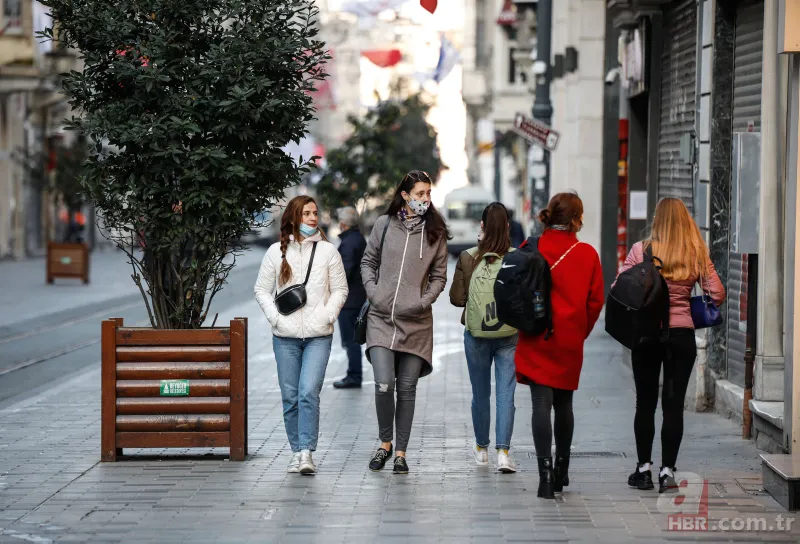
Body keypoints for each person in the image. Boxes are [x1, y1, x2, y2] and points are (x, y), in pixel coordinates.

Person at [618, 197, 725, 493]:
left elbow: (620, 288)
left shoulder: (642, 250)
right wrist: (687, 304)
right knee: (674, 406)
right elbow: (716, 292)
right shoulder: (695, 252)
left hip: (647, 335)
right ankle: (668, 473)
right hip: (682, 337)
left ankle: (643, 471)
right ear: (684, 220)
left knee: (645, 402)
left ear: (657, 219)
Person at [514, 192, 604, 499]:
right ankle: (563, 469)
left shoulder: (531, 248)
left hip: (535, 335)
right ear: (577, 219)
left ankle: (545, 475)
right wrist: (581, 330)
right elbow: (595, 302)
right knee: (565, 404)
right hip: (568, 338)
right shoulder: (588, 254)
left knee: (541, 404)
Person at [361, 170, 450, 474]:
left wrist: (422, 301)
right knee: (384, 383)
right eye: (420, 193)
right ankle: (384, 444)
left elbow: (440, 276)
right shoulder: (384, 225)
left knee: (407, 388)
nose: (426, 199)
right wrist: (374, 294)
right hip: (381, 318)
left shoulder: (435, 231)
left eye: (428, 193)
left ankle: (400, 453)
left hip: (416, 323)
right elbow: (368, 261)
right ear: (405, 196)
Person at [254, 195, 348, 475]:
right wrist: (276, 319)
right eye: (306, 213)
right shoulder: (275, 252)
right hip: (285, 337)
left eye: (315, 213)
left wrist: (326, 316)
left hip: (318, 335)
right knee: (290, 396)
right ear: (294, 218)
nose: (312, 218)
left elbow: (341, 290)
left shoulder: (328, 251)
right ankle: (296, 451)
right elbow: (261, 290)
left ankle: (306, 451)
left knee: (308, 392)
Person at [450, 202, 519, 473]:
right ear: (508, 227)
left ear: (481, 226)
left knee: (481, 394)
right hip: (509, 333)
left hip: (476, 334)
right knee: (506, 394)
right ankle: (504, 452)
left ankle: (481, 449)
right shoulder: (516, 257)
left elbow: (457, 299)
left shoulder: (468, 257)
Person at [333, 206, 368, 389]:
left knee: (350, 340)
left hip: (349, 300)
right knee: (353, 339)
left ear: (343, 223)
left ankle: (354, 376)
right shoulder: (358, 238)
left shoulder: (349, 242)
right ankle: (354, 374)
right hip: (357, 297)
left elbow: (344, 271)